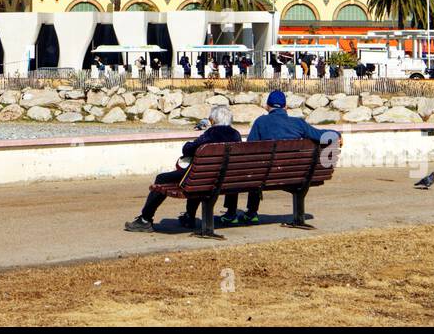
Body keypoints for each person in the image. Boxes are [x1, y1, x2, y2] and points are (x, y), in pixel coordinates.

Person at [125, 105, 241, 232]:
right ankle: (189, 216)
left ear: (213, 120)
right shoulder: (236, 135)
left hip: (202, 177)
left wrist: (191, 142)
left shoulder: (211, 134)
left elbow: (188, 149)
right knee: (199, 178)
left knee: (162, 178)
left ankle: (145, 220)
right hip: (224, 179)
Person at [232, 90, 341, 224]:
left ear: (267, 106)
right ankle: (299, 216)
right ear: (285, 107)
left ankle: (252, 212)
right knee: (260, 169)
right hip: (295, 175)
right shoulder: (298, 123)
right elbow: (319, 135)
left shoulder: (261, 122)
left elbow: (249, 149)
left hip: (265, 175)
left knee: (257, 167)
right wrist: (337, 134)